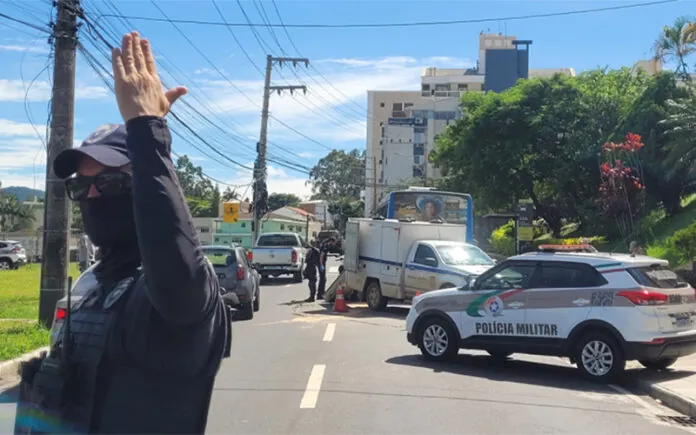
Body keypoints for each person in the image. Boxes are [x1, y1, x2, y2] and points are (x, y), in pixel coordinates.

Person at [14, 31, 231, 435]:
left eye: (112, 184)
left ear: (145, 187)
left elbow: (173, 257)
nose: (93, 197)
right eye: (82, 188)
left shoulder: (176, 295)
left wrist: (147, 131)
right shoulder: (91, 283)